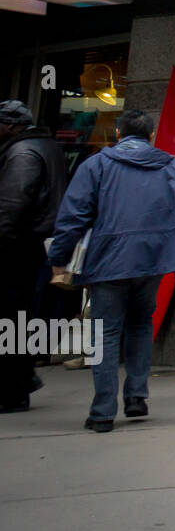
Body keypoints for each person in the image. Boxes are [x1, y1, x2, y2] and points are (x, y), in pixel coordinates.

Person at [47, 109, 175, 433]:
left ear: (117, 134)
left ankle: (102, 412)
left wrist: (58, 257)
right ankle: (137, 396)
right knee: (141, 324)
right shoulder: (171, 166)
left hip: (109, 261)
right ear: (152, 135)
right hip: (153, 260)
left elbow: (74, 215)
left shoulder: (97, 164)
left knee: (105, 333)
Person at [0, 101, 67, 413]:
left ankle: (14, 388)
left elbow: (12, 204)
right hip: (39, 244)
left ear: (11, 124)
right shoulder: (47, 146)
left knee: (11, 319)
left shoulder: (23, 153)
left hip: (20, 246)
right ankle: (21, 379)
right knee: (23, 318)